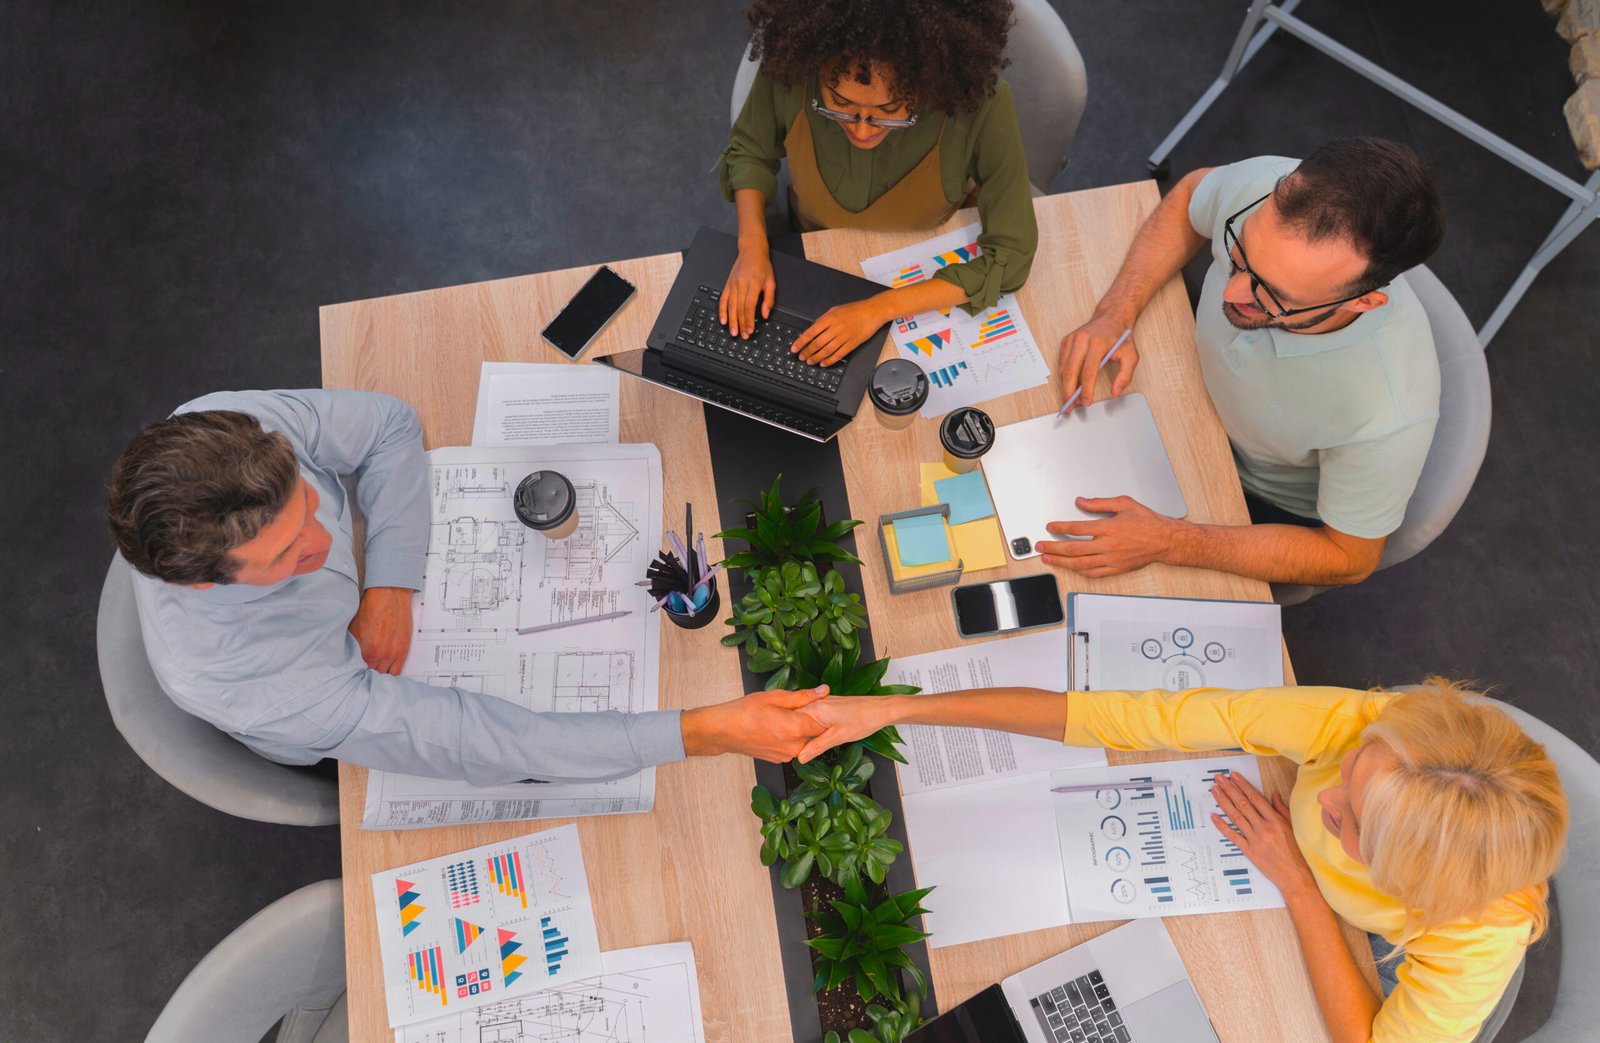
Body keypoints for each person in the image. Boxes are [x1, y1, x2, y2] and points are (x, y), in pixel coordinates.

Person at [795, 681, 1568, 1043]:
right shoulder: (1356, 724)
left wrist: (1301, 886)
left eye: (1348, 821)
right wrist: (894, 710)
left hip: (1422, 1002)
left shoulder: (1473, 937)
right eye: (1354, 774)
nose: (1324, 792)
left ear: (1409, 881)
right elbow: (1128, 715)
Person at [107, 389, 829, 784]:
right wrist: (705, 731)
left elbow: (388, 425)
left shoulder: (225, 428)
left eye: (309, 503)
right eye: (291, 554)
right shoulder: (262, 680)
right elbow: (489, 741)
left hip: (378, 627)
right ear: (205, 586)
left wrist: (387, 581)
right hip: (332, 718)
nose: (326, 542)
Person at [1047, 138, 1446, 586]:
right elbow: (1190, 196)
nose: (1230, 293)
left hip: (1252, 499)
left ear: (1365, 302)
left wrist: (1172, 541)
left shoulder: (1388, 413)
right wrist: (1114, 312)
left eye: (1274, 294)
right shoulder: (1261, 187)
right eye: (1240, 256)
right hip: (1189, 400)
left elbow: (1348, 556)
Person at [716, 0, 1037, 367]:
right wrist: (751, 247)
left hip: (929, 251)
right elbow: (750, 151)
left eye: (889, 112)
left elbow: (1011, 257)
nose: (862, 130)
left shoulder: (980, 102)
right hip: (816, 248)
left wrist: (880, 308)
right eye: (838, 103)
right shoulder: (792, 69)